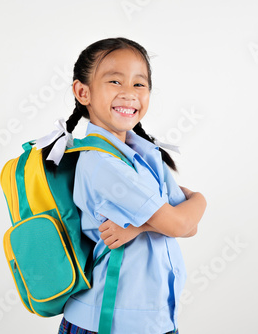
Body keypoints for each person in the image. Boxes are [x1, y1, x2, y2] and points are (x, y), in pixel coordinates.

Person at [53, 37, 206, 334]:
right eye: (114, 81)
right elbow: (178, 224)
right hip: (109, 323)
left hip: (152, 320)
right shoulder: (103, 164)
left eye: (139, 84)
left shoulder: (144, 154)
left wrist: (141, 227)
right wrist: (200, 198)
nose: (129, 94)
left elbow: (190, 227)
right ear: (82, 92)